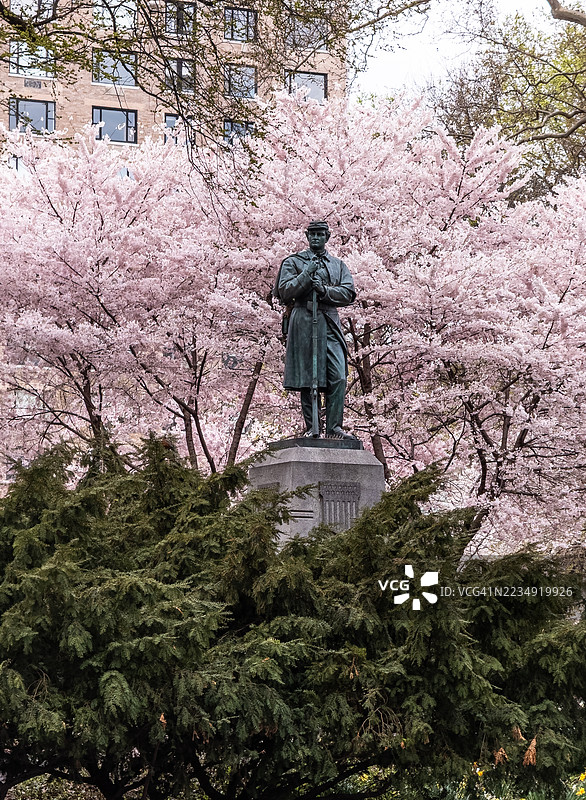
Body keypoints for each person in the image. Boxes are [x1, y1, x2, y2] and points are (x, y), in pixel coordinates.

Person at [274, 220, 356, 438]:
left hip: (329, 321)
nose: (316, 238)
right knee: (308, 378)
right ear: (307, 236)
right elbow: (284, 291)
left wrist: (324, 291)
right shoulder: (293, 262)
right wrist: (306, 274)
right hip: (304, 319)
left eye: (320, 234)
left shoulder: (338, 265)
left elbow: (348, 293)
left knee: (338, 376)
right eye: (312, 234)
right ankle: (313, 427)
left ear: (327, 237)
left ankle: (334, 427)